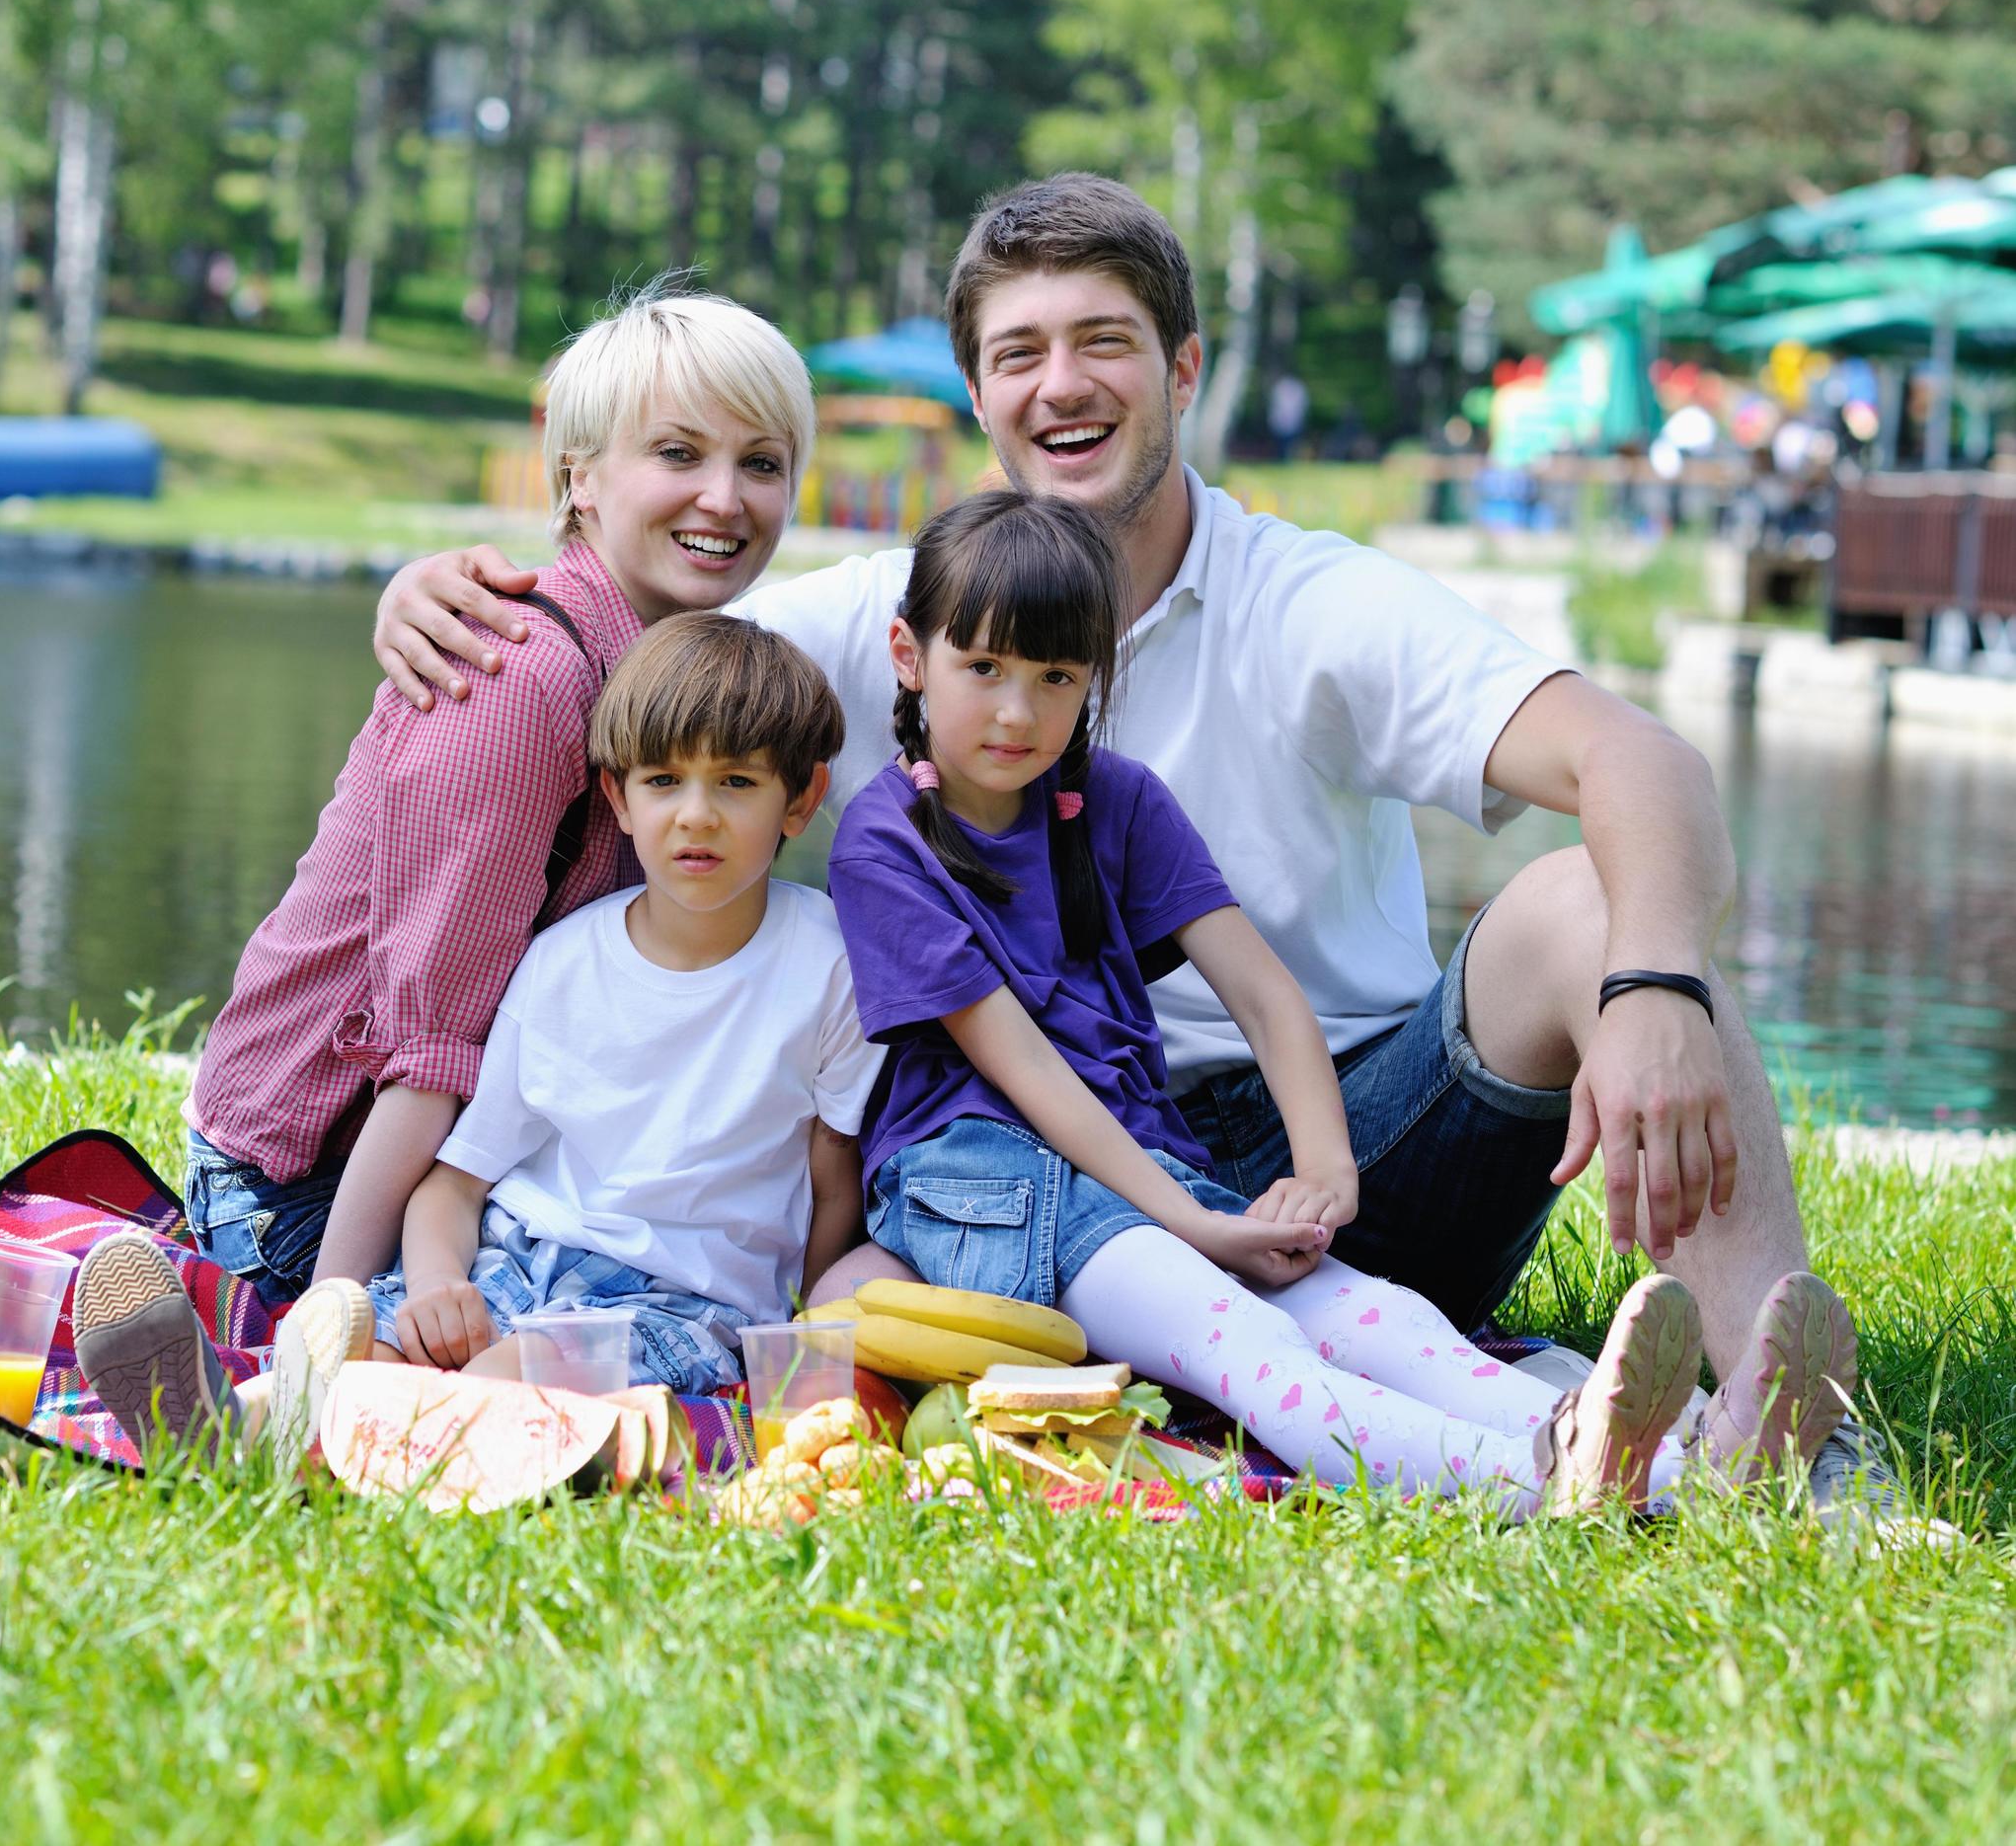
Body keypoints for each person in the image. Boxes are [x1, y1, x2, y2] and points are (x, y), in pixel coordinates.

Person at [369, 174, 1874, 1508]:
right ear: (979, 402)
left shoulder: (1313, 603)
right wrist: (449, 594)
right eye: (1018, 353)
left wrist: (1659, 985)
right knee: (1258, 1327)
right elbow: (648, 683)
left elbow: (1639, 758)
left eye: (1104, 342)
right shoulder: (917, 621)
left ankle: (1793, 1431)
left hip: (1354, 1152)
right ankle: (1600, 1456)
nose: (1061, 384)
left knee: (1585, 907)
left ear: (1185, 371)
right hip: (1056, 1172)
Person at [828, 487, 1859, 1513]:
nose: (1019, 710)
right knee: (1250, 1346)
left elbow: (1268, 997)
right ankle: (1558, 1482)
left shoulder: (1117, 798)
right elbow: (1028, 1071)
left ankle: (1707, 1456)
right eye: (983, 669)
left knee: (1383, 1319)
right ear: (910, 658)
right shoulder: (887, 845)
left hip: (1140, 1166)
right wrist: (1195, 1221)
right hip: (990, 1185)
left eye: (1057, 675)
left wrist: (1325, 1177)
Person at [180, 285, 818, 1309]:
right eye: (678, 454)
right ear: (583, 477)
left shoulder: (689, 675)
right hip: (309, 1186)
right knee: (599, 1344)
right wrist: (326, 1317)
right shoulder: (521, 676)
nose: (725, 499)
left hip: (463, 1158)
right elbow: (429, 1049)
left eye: (763, 463)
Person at [369, 614, 882, 1395]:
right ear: (618, 796)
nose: (696, 815)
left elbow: (832, 1176)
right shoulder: (563, 963)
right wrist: (439, 1283)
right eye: (663, 781)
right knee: (362, 1352)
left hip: (682, 1302)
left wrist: (801, 1338)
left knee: (507, 1382)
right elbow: (456, 1183)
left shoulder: (831, 965)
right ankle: (226, 1420)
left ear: (801, 798)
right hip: (514, 1261)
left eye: (737, 782)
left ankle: (403, 1436)